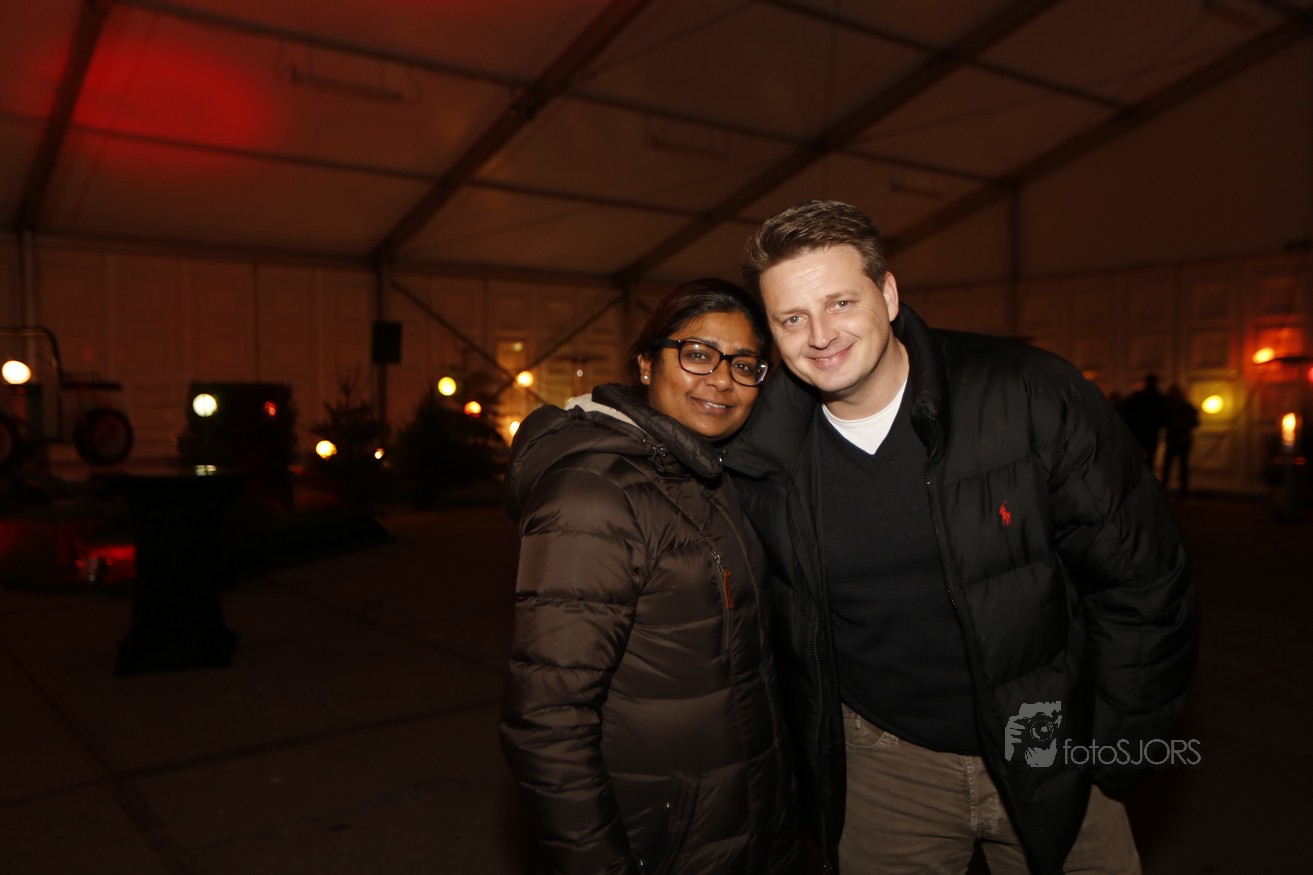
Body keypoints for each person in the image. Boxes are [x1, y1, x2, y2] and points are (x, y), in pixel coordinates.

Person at [724, 200, 1197, 875]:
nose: (820, 335)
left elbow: (1142, 580)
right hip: (883, 770)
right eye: (791, 318)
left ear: (888, 295)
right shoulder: (760, 452)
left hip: (1049, 743)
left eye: (840, 302)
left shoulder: (1028, 393)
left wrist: (1112, 745)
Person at [500, 278, 802, 875]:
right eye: (698, 354)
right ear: (645, 364)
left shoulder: (705, 475)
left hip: (746, 822)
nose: (722, 379)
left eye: (744, 365)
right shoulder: (595, 496)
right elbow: (548, 722)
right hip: (666, 842)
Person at [1119, 374, 1169, 467]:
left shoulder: (1137, 397)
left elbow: (1126, 412)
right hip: (1151, 432)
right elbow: (1165, 416)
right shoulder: (1159, 398)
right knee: (1150, 458)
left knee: (1138, 457)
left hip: (1139, 432)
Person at [1161, 383, 1200, 496]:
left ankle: (1183, 491)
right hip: (1174, 440)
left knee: (1182, 466)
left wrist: (1185, 420)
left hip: (1182, 440)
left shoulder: (1186, 407)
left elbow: (1195, 423)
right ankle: (1165, 488)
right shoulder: (1168, 408)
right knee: (1169, 466)